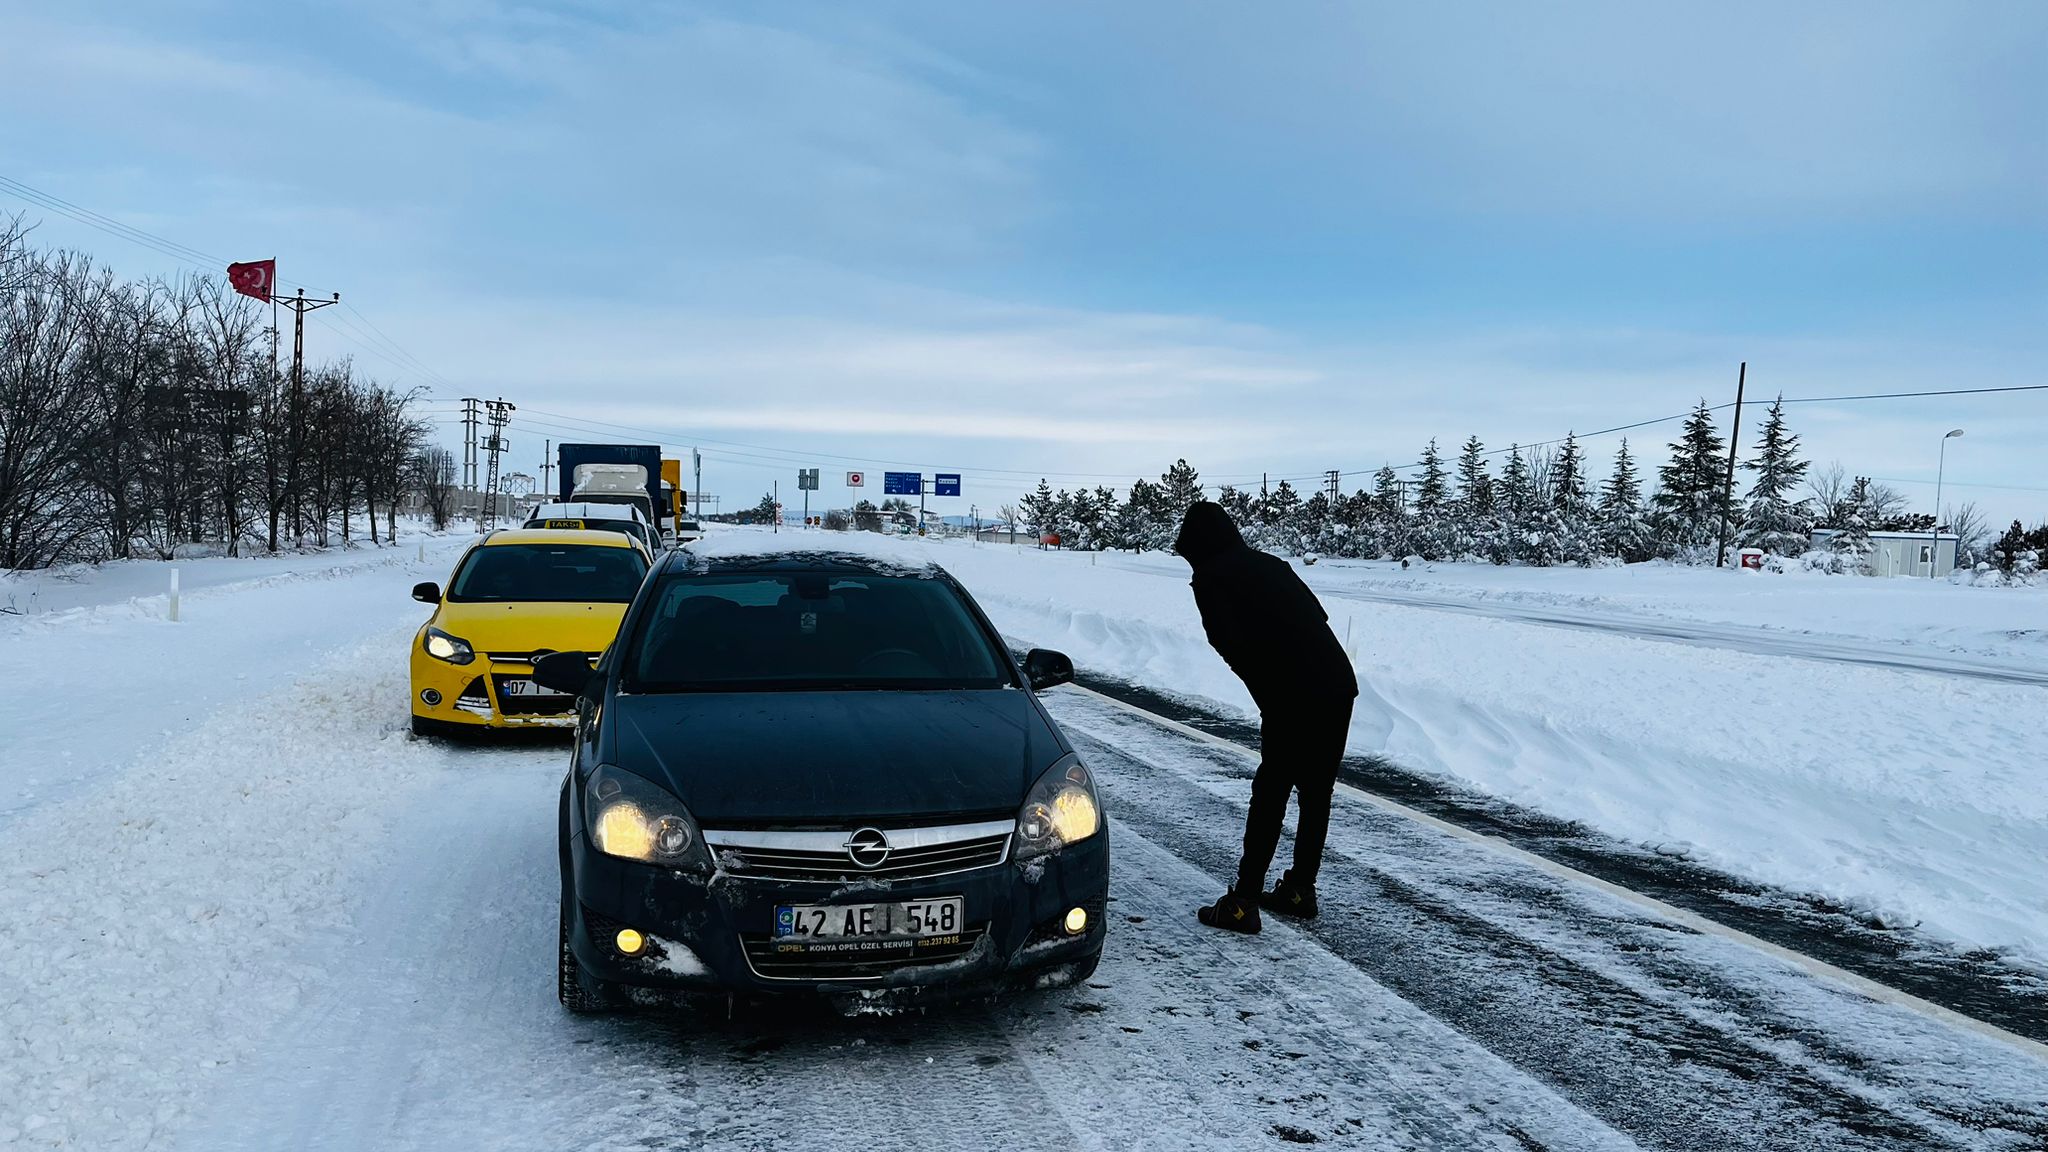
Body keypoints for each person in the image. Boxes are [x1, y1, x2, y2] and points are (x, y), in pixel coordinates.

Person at [1174, 501, 1358, 934]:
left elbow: (1232, 645)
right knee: (1316, 792)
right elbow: (1316, 616)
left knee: (1272, 788)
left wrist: (1272, 696)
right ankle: (1299, 890)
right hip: (1337, 684)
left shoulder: (1211, 577)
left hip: (1295, 694)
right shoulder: (1269, 564)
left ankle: (1243, 901)